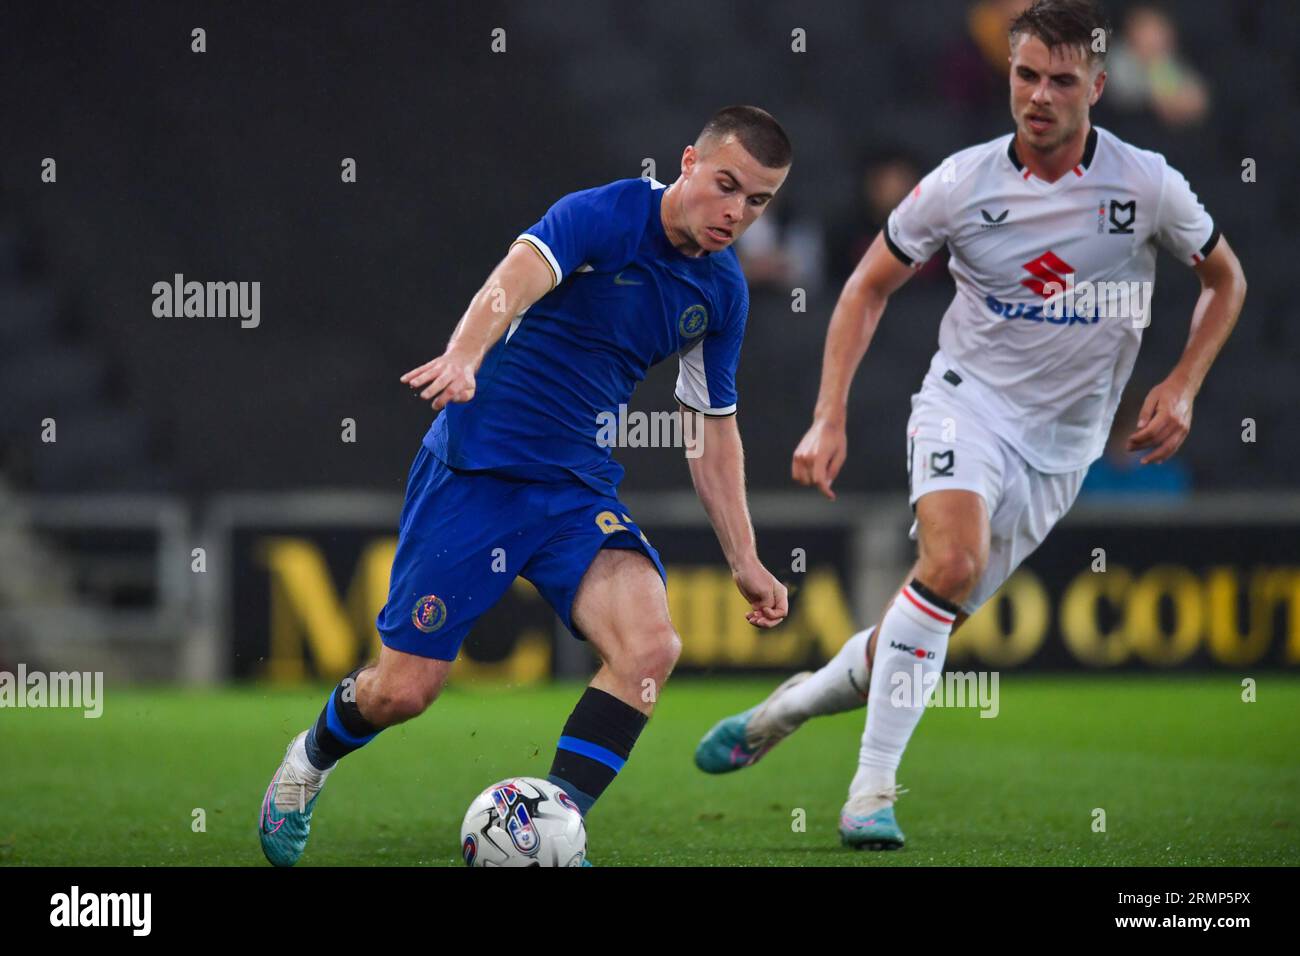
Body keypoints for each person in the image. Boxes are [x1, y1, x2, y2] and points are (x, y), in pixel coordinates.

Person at [694, 0, 1246, 851]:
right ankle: (870, 793)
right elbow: (865, 287)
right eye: (1027, 75)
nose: (1040, 95)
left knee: (928, 612)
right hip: (968, 403)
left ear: (1097, 86)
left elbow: (1225, 280)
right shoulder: (961, 183)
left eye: (1063, 80)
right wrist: (828, 414)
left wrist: (1182, 383)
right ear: (1009, 77)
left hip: (1065, 447)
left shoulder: (1146, 186)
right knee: (950, 562)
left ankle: (793, 703)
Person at [258, 106, 793, 866]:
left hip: (575, 491)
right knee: (402, 693)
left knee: (650, 648)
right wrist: (464, 355)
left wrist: (744, 557)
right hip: (477, 474)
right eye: (727, 186)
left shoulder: (722, 293)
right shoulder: (604, 214)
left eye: (760, 201)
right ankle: (308, 761)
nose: (737, 213)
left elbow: (710, 428)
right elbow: (517, 275)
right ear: (688, 163)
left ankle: (551, 830)